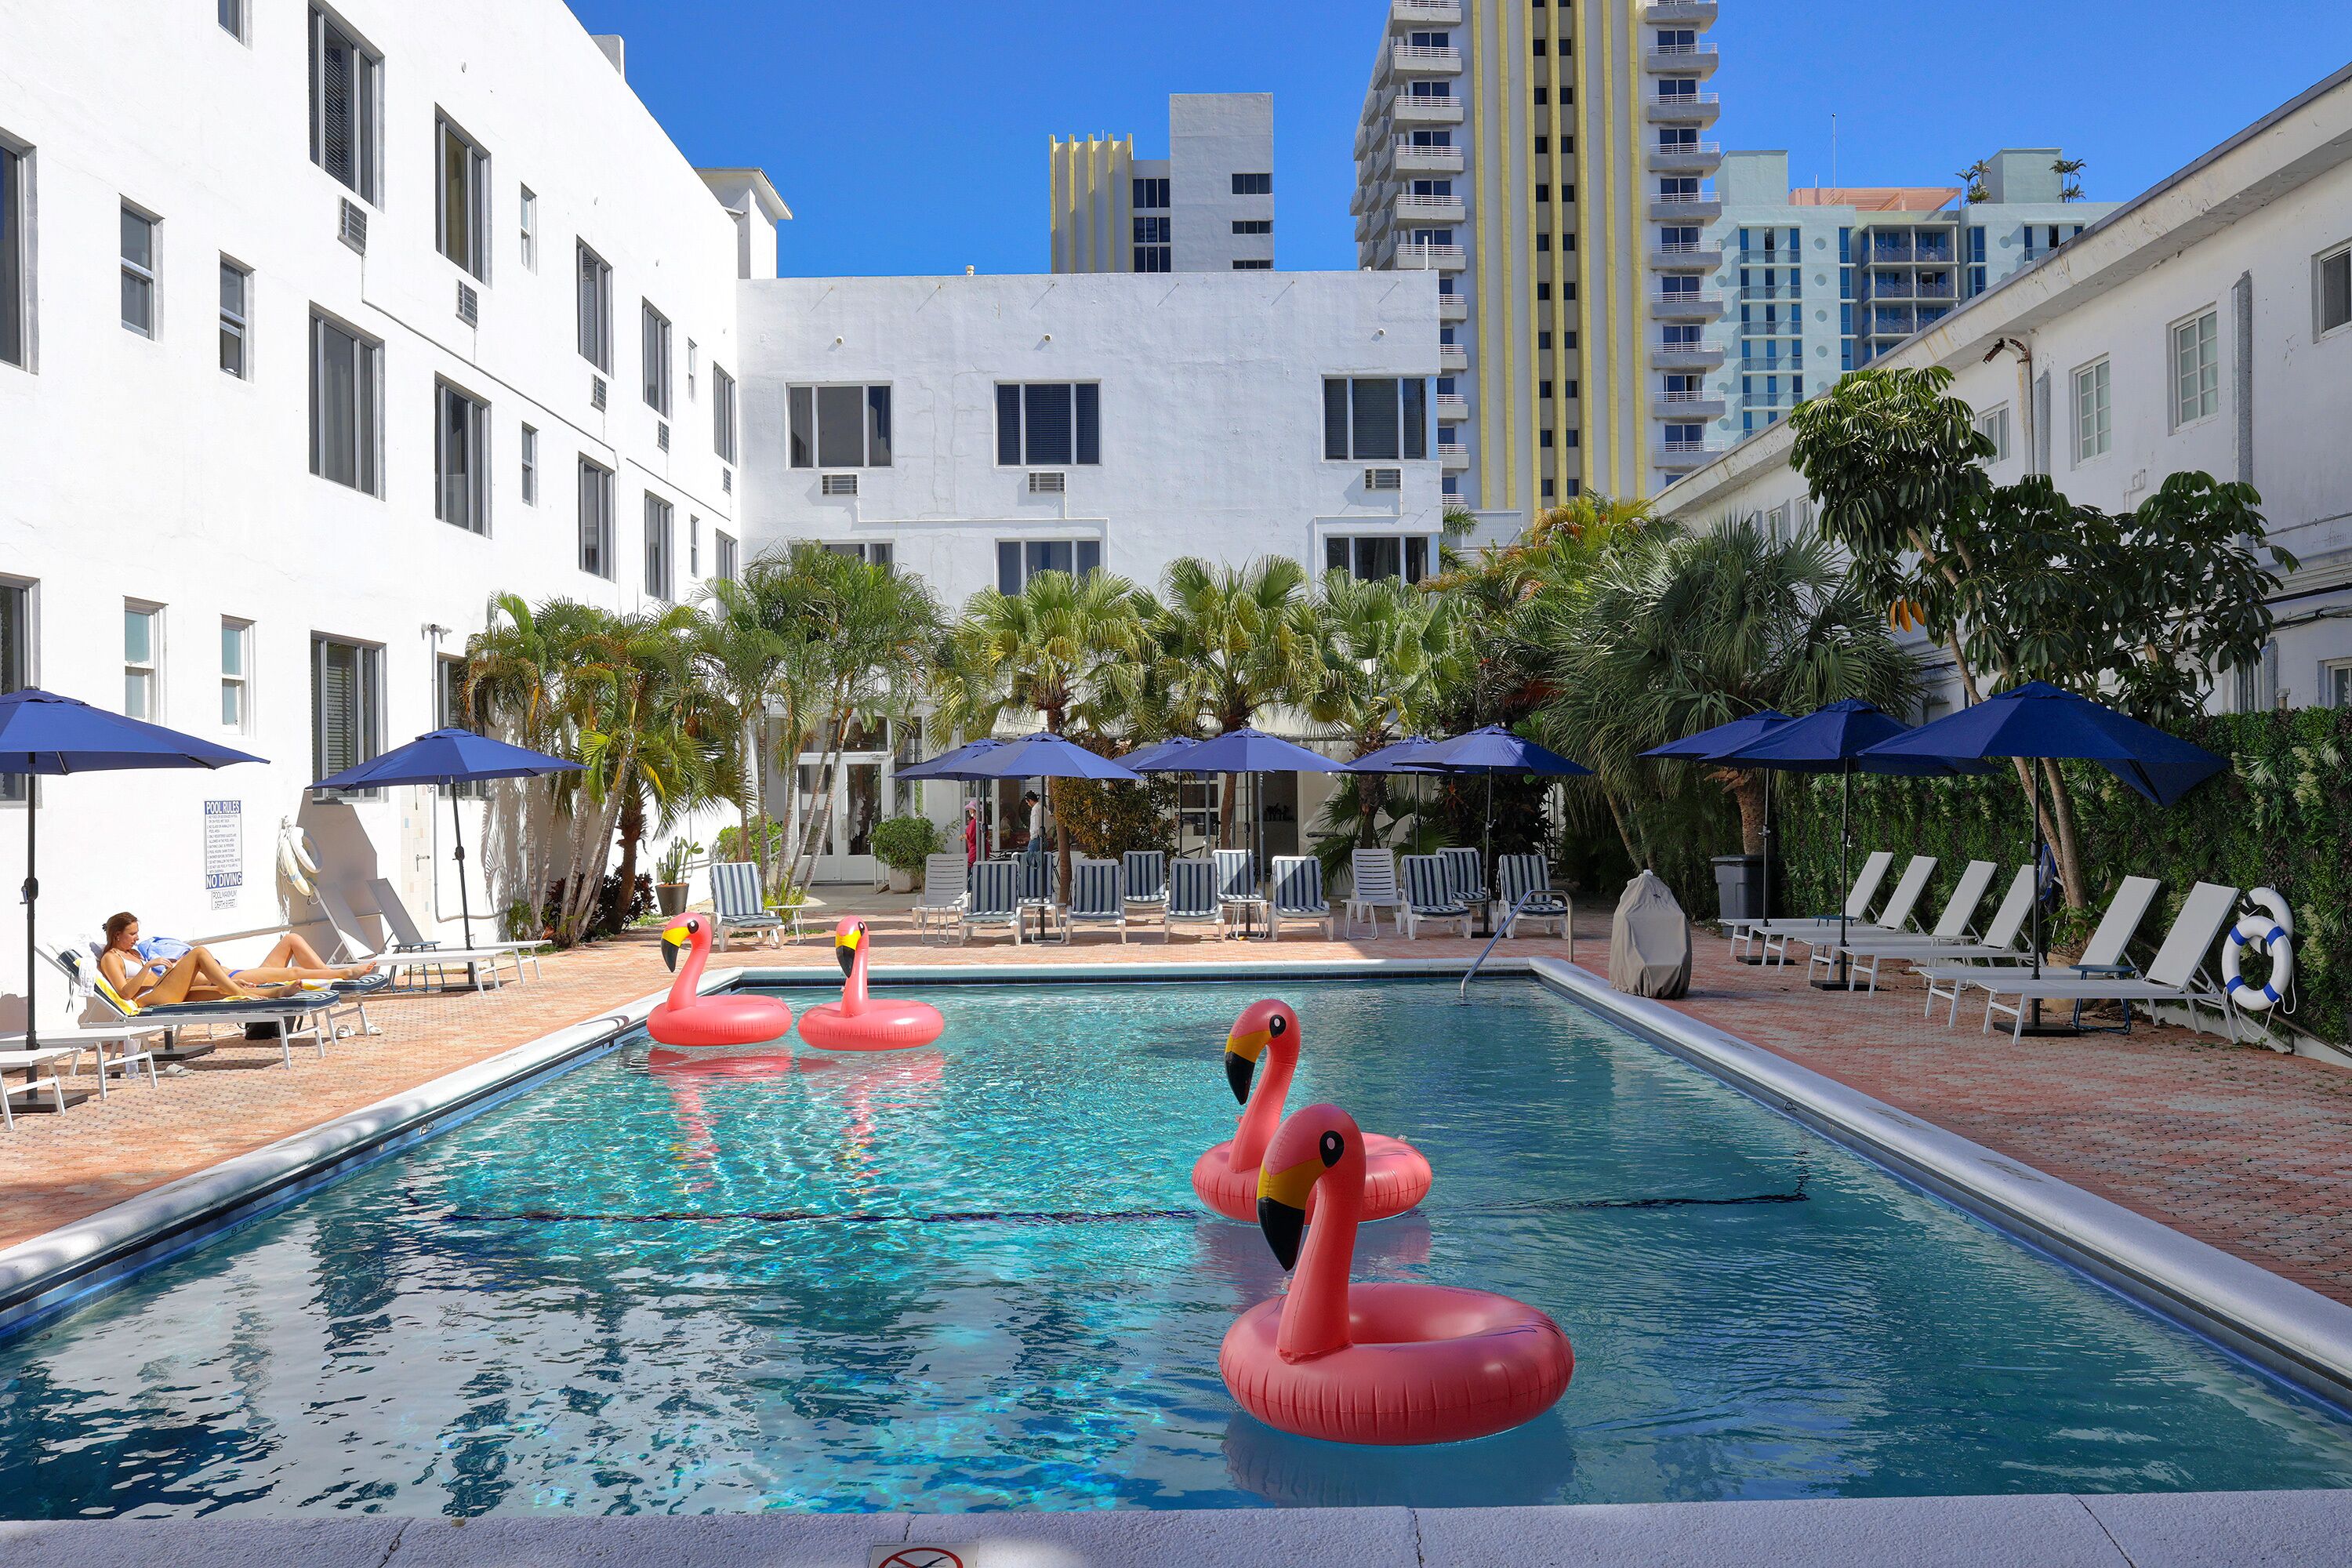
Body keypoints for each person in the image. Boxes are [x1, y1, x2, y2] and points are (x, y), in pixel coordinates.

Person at [96, 913, 368, 1005]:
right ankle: (340, 974)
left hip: (169, 988)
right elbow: (125, 993)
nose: (136, 938)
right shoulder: (112, 957)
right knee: (200, 952)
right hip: (151, 996)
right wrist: (148, 966)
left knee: (219, 992)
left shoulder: (134, 950)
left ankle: (273, 994)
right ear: (117, 935)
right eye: (132, 934)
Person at [964, 799, 982, 866]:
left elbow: (971, 837)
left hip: (975, 848)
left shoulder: (974, 822)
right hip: (981, 847)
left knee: (969, 865)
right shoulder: (981, 821)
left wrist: (963, 836)